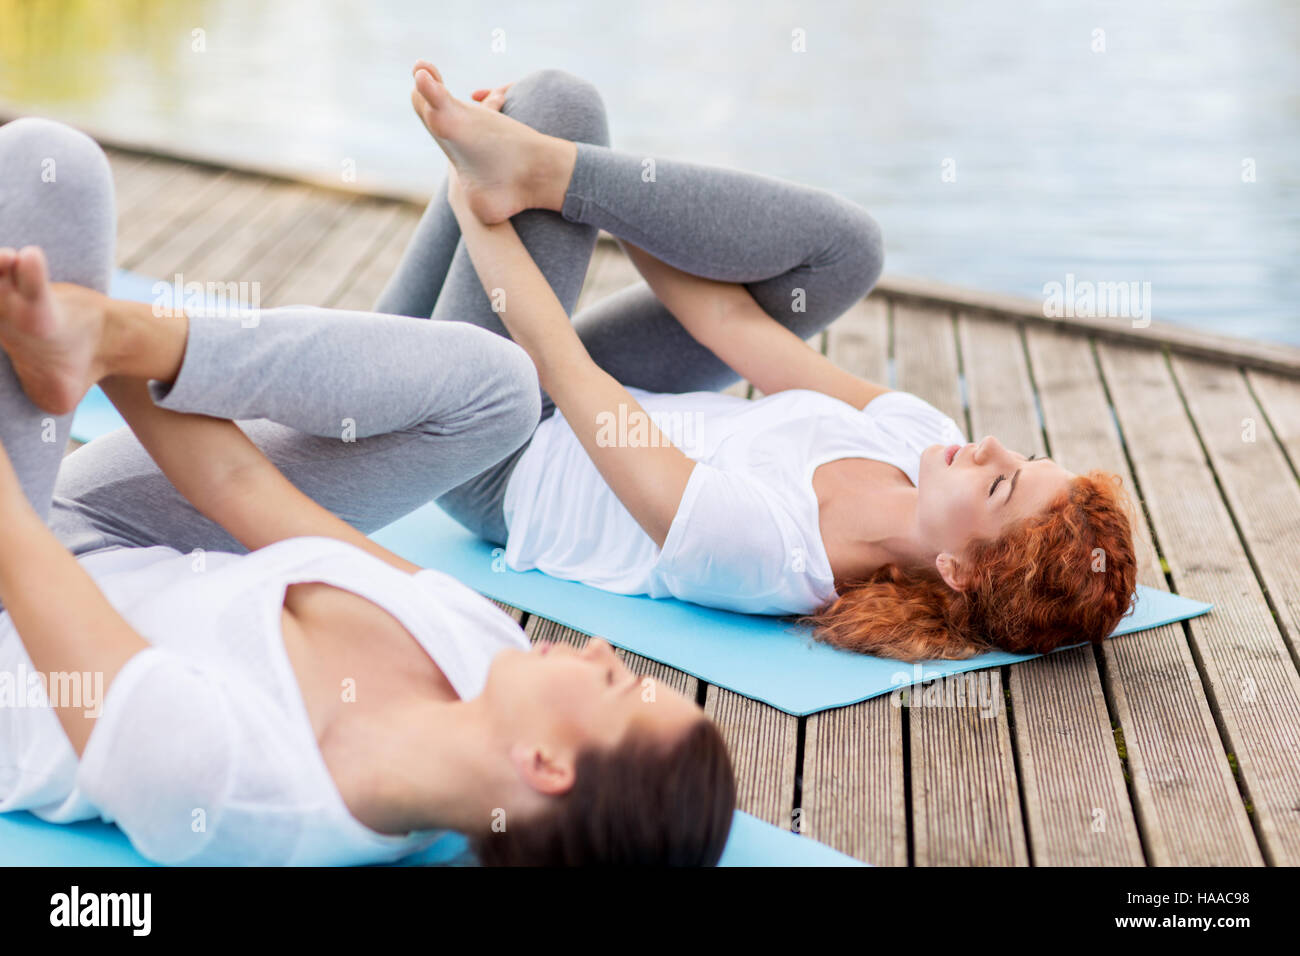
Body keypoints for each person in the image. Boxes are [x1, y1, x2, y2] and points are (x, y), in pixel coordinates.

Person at [0, 115, 736, 866]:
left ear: (546, 764)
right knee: (496, 390)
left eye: (613, 685)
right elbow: (236, 484)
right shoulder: (477, 645)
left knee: (43, 164)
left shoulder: (235, 792)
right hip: (105, 531)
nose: (602, 649)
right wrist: (95, 340)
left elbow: (18, 549)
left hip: (12, 581)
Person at [387, 64, 1138, 662]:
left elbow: (565, 370)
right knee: (843, 247)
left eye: (1001, 481)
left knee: (555, 104)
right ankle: (507, 201)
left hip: (500, 452)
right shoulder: (922, 439)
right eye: (1027, 453)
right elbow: (726, 322)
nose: (991, 446)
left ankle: (392, 370)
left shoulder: (765, 555)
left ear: (959, 571)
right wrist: (582, 189)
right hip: (605, 393)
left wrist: (470, 192)